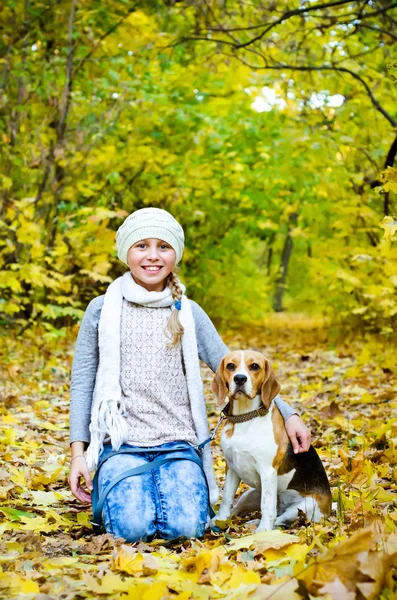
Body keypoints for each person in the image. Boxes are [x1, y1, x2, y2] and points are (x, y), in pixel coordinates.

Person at [68, 207, 311, 542]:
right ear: (126, 252)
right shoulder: (101, 309)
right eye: (142, 246)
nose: (152, 256)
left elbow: (235, 370)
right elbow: (82, 384)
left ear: (175, 255)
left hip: (178, 445)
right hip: (120, 443)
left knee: (184, 529)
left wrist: (290, 413)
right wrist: (78, 454)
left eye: (163, 247)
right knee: (131, 529)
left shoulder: (188, 312)